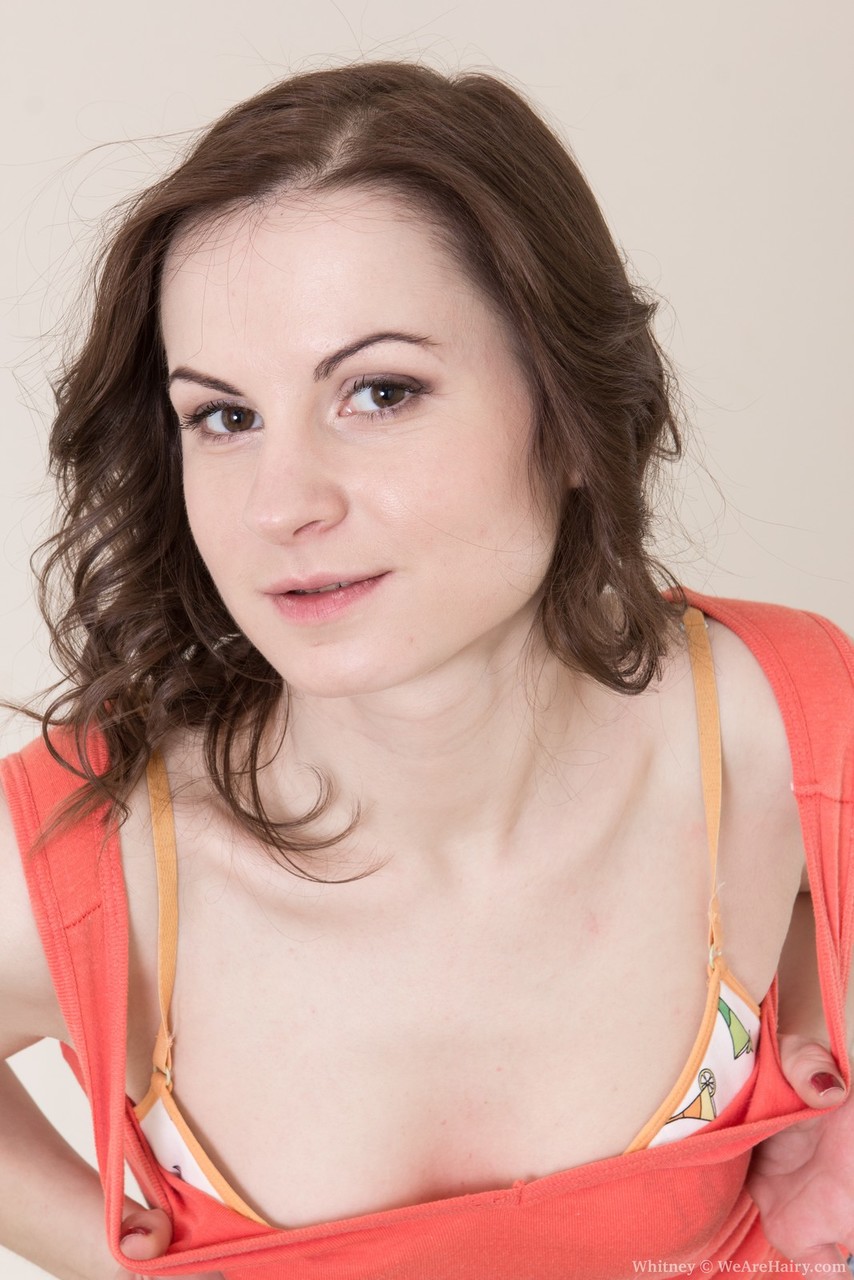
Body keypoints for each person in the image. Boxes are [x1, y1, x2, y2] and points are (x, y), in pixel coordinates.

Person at [0, 59, 852, 1280]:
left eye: (380, 392)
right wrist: (103, 1257)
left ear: (570, 413)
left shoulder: (783, 725)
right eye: (223, 417)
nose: (282, 503)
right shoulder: (91, 862)